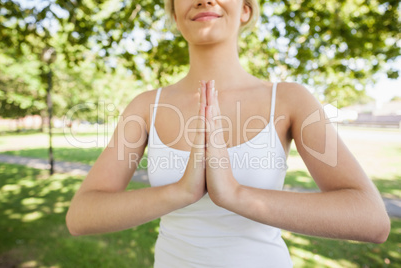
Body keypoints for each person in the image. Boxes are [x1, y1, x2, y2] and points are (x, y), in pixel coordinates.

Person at [66, 0, 390, 266]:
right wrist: (180, 192)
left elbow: (371, 218)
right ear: (175, 13)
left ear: (246, 9)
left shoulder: (290, 99)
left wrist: (234, 195)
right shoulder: (146, 106)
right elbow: (81, 216)